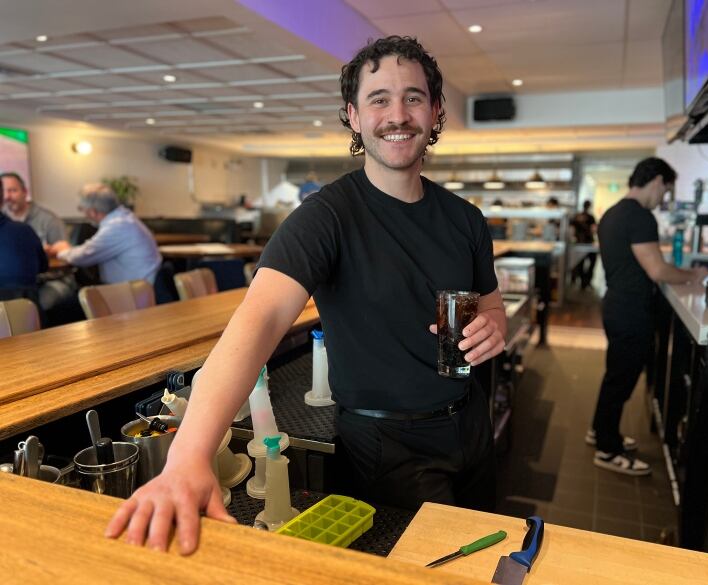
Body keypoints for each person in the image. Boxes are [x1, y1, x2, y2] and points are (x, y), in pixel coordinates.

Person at [106, 35, 506, 554]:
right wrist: (188, 457)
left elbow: (491, 305)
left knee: (487, 557)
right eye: (378, 98)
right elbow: (259, 322)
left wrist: (495, 325)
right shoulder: (326, 218)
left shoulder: (465, 219)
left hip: (471, 425)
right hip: (387, 447)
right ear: (354, 117)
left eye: (413, 97)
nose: (397, 113)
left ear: (435, 112)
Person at [588, 157, 708, 475]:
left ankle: (600, 431)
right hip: (631, 310)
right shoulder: (641, 217)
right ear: (656, 181)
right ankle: (607, 449)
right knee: (621, 378)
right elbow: (657, 270)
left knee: (615, 374)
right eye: (665, 191)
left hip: (616, 304)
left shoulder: (613, 213)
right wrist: (692, 276)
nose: (664, 199)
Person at [47, 184, 161, 285]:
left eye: (82, 210)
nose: (84, 215)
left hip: (134, 295)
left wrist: (61, 251)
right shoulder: (124, 218)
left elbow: (83, 257)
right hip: (138, 287)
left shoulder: (117, 226)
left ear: (92, 211)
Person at [0, 172, 77, 310]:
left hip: (55, 280)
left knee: (33, 308)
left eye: (12, 190)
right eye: (4, 192)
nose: (7, 197)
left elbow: (66, 256)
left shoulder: (49, 220)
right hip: (26, 285)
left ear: (25, 192)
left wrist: (51, 251)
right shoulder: (4, 220)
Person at [0, 179, 48, 294]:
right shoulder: (25, 231)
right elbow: (43, 266)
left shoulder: (46, 219)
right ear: (2, 199)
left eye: (13, 190)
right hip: (26, 307)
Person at [570, 200, 598, 289]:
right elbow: (594, 229)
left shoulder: (577, 216)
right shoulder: (590, 217)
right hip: (588, 243)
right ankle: (586, 281)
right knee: (590, 263)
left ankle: (583, 280)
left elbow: (572, 230)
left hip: (580, 243)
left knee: (580, 263)